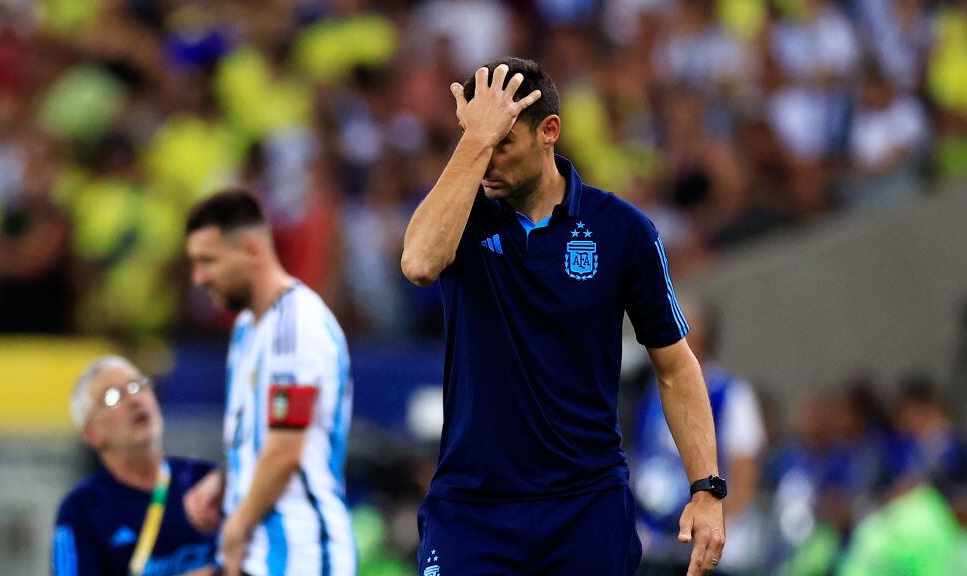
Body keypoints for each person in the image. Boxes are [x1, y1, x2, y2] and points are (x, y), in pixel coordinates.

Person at [401, 57, 725, 576]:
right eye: (473, 140)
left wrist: (707, 489)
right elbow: (418, 263)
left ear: (548, 131)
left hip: (585, 507)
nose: (486, 161)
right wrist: (478, 138)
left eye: (502, 143)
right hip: (471, 509)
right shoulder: (459, 218)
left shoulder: (622, 231)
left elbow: (675, 366)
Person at [183, 190, 355, 576]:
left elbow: (285, 450)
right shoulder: (247, 328)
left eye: (207, 261)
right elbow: (261, 438)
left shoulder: (296, 325)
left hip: (303, 555)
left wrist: (236, 525)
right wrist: (223, 480)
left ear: (251, 249)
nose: (199, 278)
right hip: (262, 554)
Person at [631, 299, 766, 575]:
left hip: (701, 551)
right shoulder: (652, 394)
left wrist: (713, 535)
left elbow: (744, 478)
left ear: (703, 336)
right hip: (653, 545)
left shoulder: (732, 394)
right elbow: (641, 458)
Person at [52, 355, 217, 576]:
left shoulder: (207, 481)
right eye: (113, 397)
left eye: (138, 385)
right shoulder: (82, 509)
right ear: (91, 434)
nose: (134, 400)